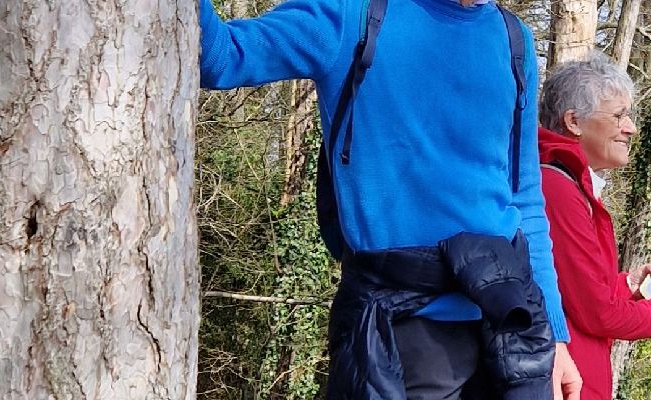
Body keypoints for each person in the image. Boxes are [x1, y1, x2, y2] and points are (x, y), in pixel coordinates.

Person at [197, 0, 583, 398]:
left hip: (513, 331)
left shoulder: (512, 39)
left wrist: (555, 335)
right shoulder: (351, 16)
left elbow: (525, 199)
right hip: (399, 337)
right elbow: (220, 57)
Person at [534, 55, 651, 400]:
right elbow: (598, 315)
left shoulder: (570, 185)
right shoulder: (557, 189)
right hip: (568, 386)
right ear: (574, 121)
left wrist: (626, 283)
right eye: (618, 116)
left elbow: (574, 293)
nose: (631, 128)